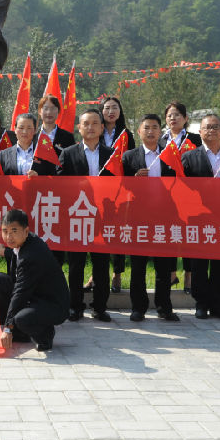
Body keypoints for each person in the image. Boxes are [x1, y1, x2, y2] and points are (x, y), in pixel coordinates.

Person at [181, 113, 220, 321]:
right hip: (198, 218)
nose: (212, 130)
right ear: (200, 132)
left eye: (216, 126)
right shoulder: (189, 157)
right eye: (207, 127)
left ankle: (218, 304)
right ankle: (201, 303)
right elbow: (182, 189)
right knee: (199, 263)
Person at [121, 114, 180, 322]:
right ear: (139, 131)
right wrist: (134, 179)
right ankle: (138, 308)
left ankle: (164, 307)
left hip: (164, 216)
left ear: (160, 131)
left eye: (155, 127)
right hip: (138, 217)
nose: (151, 131)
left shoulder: (170, 154)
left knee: (163, 266)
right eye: (146, 127)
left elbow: (180, 182)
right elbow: (120, 187)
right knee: (138, 266)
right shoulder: (129, 157)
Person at [58, 109, 115, 322]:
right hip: (78, 215)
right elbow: (59, 184)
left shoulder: (111, 154)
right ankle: (75, 306)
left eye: (94, 123)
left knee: (101, 264)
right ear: (79, 128)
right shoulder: (68, 153)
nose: (90, 127)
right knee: (76, 264)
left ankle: (100, 307)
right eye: (86, 123)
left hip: (103, 216)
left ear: (101, 128)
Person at [0, 209, 69, 351]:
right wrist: (5, 251)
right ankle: (19, 333)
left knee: (22, 319)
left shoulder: (32, 256)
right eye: (5, 231)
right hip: (35, 296)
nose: (9, 237)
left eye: (14, 231)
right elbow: (17, 254)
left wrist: (8, 327)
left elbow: (20, 293)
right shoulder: (27, 242)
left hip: (53, 304)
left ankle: (45, 335)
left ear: (26, 231)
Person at [159, 101, 203, 293]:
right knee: (170, 234)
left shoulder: (195, 139)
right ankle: (171, 273)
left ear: (185, 118)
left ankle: (189, 275)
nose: (173, 118)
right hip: (166, 195)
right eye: (169, 115)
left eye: (177, 114)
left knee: (187, 234)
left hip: (189, 194)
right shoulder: (160, 140)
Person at [100, 96, 135, 293]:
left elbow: (132, 159)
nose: (111, 111)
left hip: (121, 190)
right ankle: (96, 275)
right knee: (100, 232)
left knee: (118, 233)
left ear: (120, 112)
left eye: (114, 108)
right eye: (107, 108)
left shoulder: (126, 134)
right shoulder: (95, 130)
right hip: (99, 190)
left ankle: (117, 274)